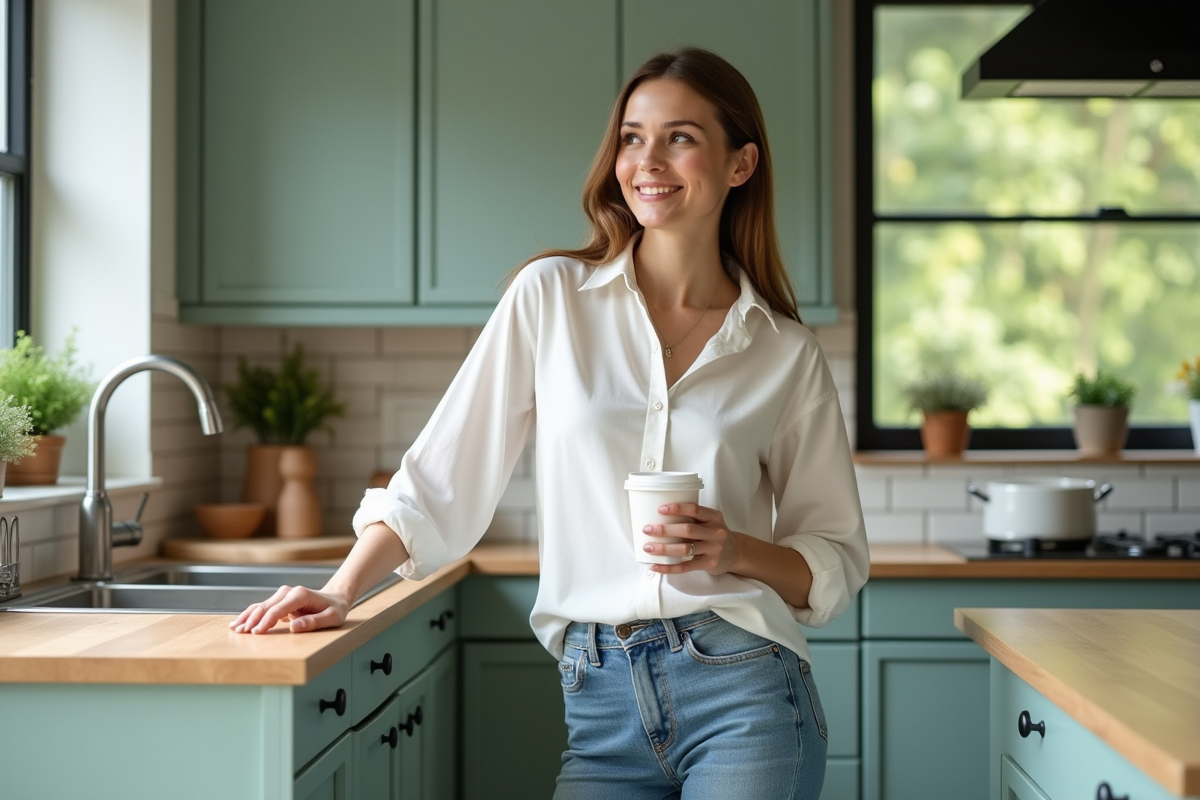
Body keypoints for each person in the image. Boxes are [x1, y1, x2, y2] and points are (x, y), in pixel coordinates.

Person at [232, 47, 869, 800]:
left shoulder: (783, 353)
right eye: (632, 136)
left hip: (745, 690)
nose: (648, 160)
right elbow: (440, 479)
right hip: (597, 701)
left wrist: (736, 548)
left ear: (741, 164)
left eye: (681, 137)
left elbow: (832, 559)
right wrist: (340, 590)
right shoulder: (551, 298)